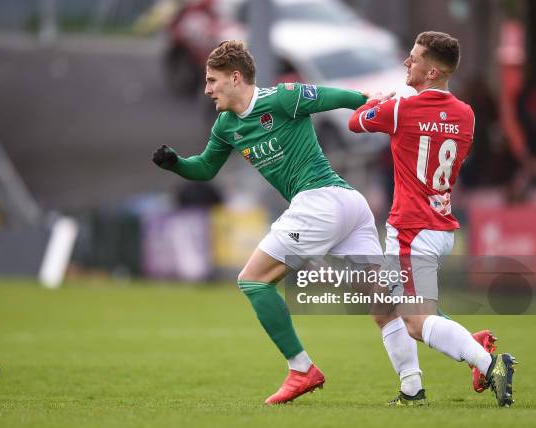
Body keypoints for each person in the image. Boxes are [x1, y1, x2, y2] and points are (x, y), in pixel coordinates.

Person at [153, 40, 384, 404]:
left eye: (212, 80)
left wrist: (379, 107)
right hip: (340, 204)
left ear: (235, 77)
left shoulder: (281, 99)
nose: (207, 89)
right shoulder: (226, 126)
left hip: (318, 202)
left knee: (253, 280)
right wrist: (176, 163)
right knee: (383, 299)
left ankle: (302, 369)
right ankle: (471, 351)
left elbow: (339, 97)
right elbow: (206, 168)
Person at [349, 31, 516, 407]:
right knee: (383, 308)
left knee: (416, 321)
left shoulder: (402, 109)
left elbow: (355, 123)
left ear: (432, 71)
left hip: (411, 228)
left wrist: (385, 101)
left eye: (414, 58)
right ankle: (411, 391)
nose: (408, 62)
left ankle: (488, 362)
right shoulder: (466, 114)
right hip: (440, 224)